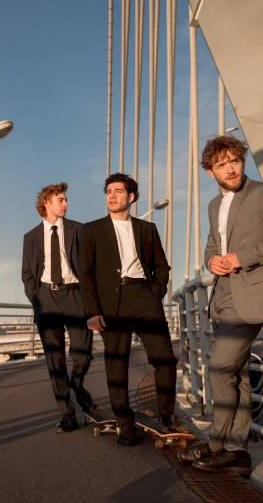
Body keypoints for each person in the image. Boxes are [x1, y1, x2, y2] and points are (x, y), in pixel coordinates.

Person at [179, 136, 263, 476]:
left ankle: (217, 442)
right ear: (210, 172)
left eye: (234, 160)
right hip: (221, 298)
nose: (230, 168)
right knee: (235, 375)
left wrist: (242, 258)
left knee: (220, 369)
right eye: (221, 164)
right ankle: (238, 453)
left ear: (243, 161)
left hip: (252, 295)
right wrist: (212, 263)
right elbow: (211, 246)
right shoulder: (212, 205)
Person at [80, 173, 178, 446]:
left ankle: (166, 416)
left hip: (144, 297)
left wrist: (156, 291)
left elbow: (162, 266)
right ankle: (125, 422)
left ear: (131, 197)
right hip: (111, 303)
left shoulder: (147, 229)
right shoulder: (92, 230)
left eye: (118, 191)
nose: (112, 195)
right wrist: (92, 311)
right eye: (108, 191)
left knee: (165, 359)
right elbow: (85, 274)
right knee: (116, 363)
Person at [22, 182, 94, 433]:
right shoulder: (31, 237)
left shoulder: (80, 230)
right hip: (46, 297)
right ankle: (67, 414)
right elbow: (28, 274)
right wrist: (37, 298)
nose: (66, 204)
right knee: (55, 360)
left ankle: (77, 385)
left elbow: (89, 267)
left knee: (83, 353)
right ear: (46, 204)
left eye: (65, 200)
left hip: (75, 296)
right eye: (61, 200)